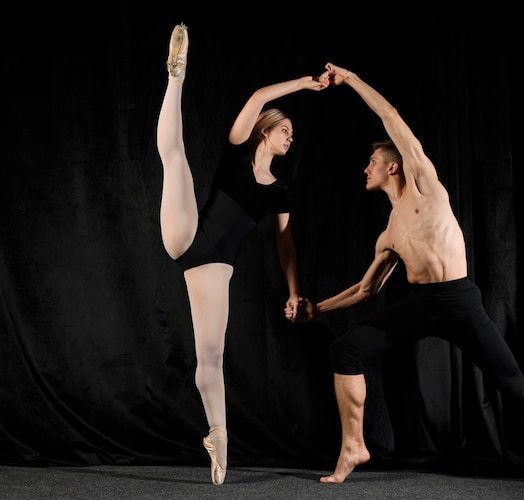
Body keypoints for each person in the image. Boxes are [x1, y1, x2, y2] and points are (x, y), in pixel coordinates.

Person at [288, 62, 524, 493]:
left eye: (373, 161)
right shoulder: (388, 233)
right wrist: (316, 309)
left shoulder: (427, 187)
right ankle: (353, 447)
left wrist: (352, 80)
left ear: (393, 167)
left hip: (459, 303)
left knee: (517, 387)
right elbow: (365, 289)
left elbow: (390, 117)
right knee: (345, 349)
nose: (366, 168)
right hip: (420, 305)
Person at [157, 23, 328, 485]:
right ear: (266, 131)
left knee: (209, 358)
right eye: (285, 130)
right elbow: (256, 96)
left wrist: (295, 293)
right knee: (176, 158)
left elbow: (285, 244)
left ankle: (219, 437)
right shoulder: (237, 150)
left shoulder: (280, 191)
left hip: (214, 268)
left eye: (292, 133)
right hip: (188, 233)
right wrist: (303, 85)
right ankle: (177, 75)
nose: (290, 138)